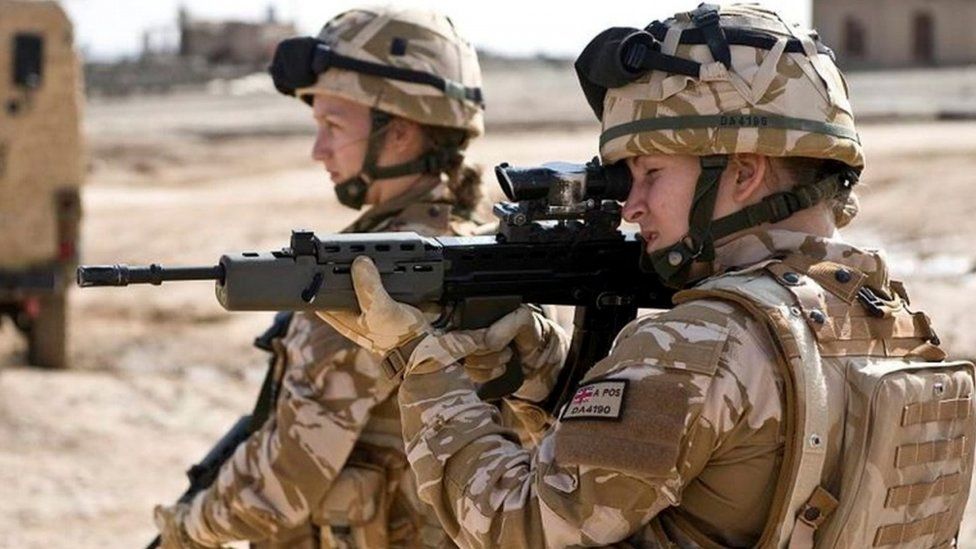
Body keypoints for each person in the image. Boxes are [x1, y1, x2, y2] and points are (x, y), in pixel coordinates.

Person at [315, 4, 975, 548]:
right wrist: (548, 370)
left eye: (652, 174)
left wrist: (420, 364)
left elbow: (516, 521)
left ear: (743, 172)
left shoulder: (702, 342)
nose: (630, 206)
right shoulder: (887, 315)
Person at [153, 7, 564, 548]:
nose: (318, 150)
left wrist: (188, 526)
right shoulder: (496, 252)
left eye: (333, 126)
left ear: (400, 133)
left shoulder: (368, 280)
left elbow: (277, 489)